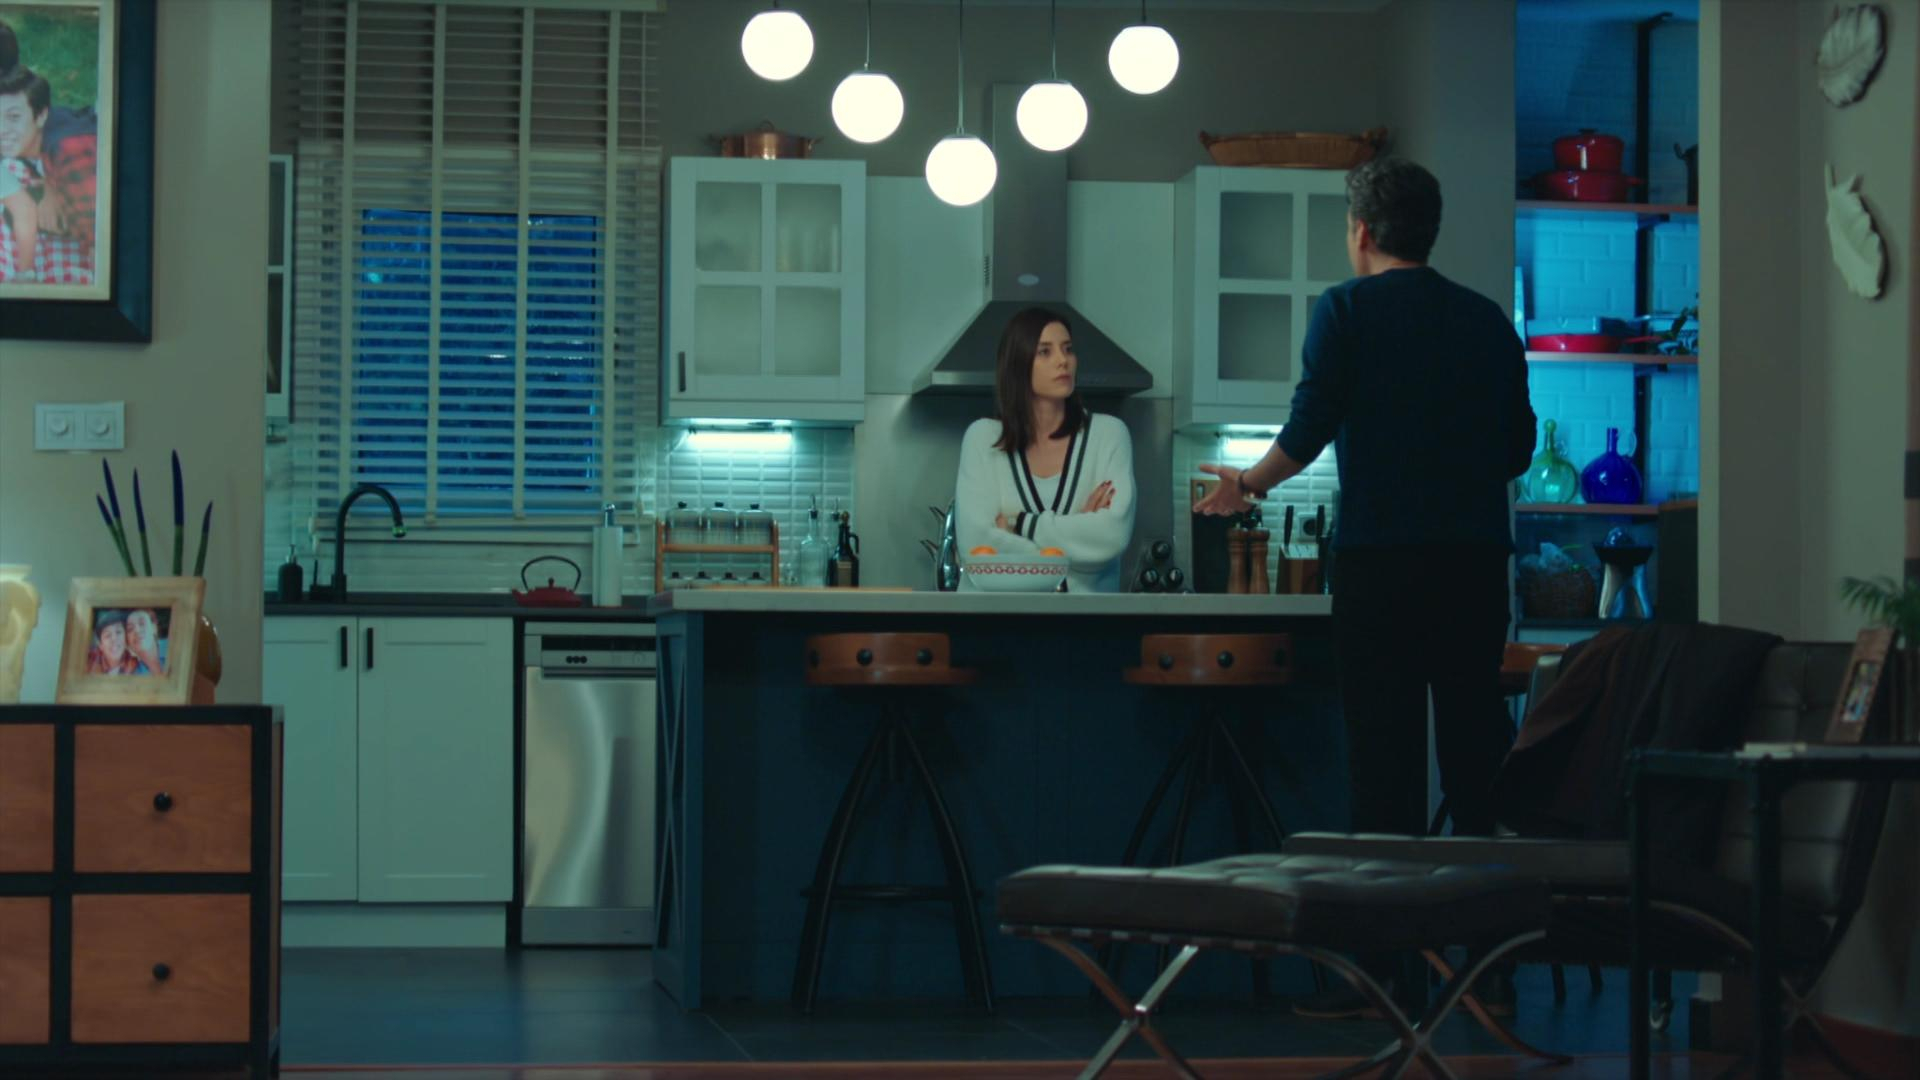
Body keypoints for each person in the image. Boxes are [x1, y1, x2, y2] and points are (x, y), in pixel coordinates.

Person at [1194, 157, 1535, 1016]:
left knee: (1384, 769)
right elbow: (1517, 449)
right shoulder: (1488, 320)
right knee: (1476, 759)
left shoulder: (1345, 309)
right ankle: (1492, 971)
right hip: (1473, 565)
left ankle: (1386, 980)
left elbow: (1310, 424)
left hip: (1381, 565)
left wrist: (1246, 486)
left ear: (1363, 232)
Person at [953, 307, 1136, 593]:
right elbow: (976, 544)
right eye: (1045, 352)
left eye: (1068, 349)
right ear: (1018, 363)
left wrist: (1019, 525)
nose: (1063, 361)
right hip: (994, 616)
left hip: (1086, 618)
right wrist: (1076, 537)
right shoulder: (983, 439)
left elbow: (1112, 536)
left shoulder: (1108, 435)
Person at [86, 609, 136, 675]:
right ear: (101, 646)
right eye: (108, 635)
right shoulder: (89, 660)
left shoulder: (135, 666)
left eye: (118, 632)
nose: (114, 639)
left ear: (126, 638)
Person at [125, 608, 165, 675]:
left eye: (142, 624)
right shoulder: (135, 674)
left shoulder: (175, 647)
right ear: (128, 643)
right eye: (130, 629)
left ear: (154, 627)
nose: (137, 631)